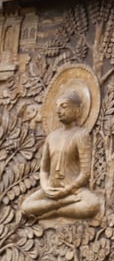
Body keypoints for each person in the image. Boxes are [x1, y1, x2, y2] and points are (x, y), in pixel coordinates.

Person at [21, 89, 102, 220]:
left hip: (73, 190)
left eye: (64, 107)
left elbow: (85, 173)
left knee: (92, 205)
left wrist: (67, 190)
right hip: (52, 189)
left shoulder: (81, 135)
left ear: (77, 110)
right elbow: (44, 170)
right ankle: (61, 204)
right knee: (25, 207)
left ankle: (56, 212)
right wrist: (46, 187)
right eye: (57, 107)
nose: (58, 111)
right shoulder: (51, 137)